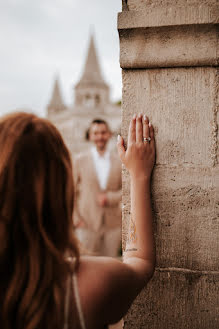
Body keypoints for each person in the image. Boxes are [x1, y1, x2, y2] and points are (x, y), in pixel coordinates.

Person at [0, 112, 155, 329]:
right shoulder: (88, 286)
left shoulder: (113, 159)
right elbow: (140, 263)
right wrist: (139, 175)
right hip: (88, 227)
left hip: (110, 224)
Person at [73, 119, 122, 257]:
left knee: (109, 268)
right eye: (96, 133)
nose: (100, 136)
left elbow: (127, 190)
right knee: (85, 266)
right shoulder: (79, 160)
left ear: (109, 135)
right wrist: (76, 219)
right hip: (86, 224)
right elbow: (70, 191)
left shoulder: (119, 161)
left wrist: (110, 198)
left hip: (113, 225)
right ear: (90, 136)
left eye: (103, 132)